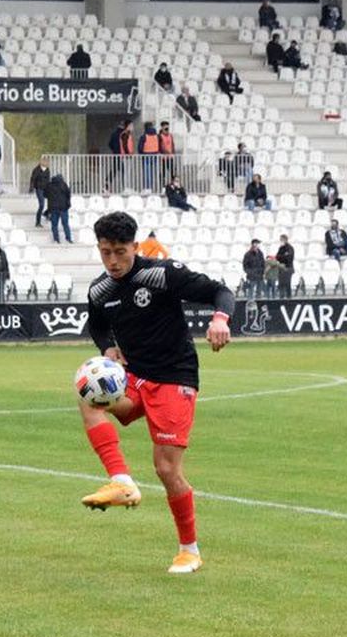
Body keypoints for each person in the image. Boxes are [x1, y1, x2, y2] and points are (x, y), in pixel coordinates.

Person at [78, 211, 233, 575]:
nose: (113, 261)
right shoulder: (99, 289)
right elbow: (98, 324)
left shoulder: (162, 274)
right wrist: (107, 348)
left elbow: (219, 292)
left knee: (166, 468)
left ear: (135, 246)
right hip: (135, 378)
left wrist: (220, 319)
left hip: (174, 377)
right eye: (105, 253)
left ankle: (189, 550)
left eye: (120, 251)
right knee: (87, 392)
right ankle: (121, 481)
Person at [46, 171, 72, 244]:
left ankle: (56, 239)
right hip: (63, 208)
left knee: (54, 225)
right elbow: (68, 194)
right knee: (65, 224)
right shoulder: (63, 184)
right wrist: (68, 204)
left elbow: (45, 194)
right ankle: (68, 238)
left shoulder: (50, 185)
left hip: (54, 208)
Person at [28, 155, 50, 227]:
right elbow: (33, 179)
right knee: (41, 205)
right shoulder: (36, 170)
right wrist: (31, 188)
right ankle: (38, 222)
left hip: (46, 188)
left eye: (47, 161)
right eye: (44, 161)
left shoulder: (47, 170)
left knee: (53, 202)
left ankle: (46, 213)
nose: (46, 162)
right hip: (39, 189)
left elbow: (48, 180)